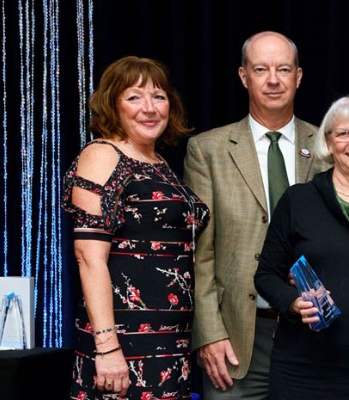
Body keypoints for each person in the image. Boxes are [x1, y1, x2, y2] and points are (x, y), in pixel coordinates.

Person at [183, 31, 327, 399]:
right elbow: (199, 252)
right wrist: (209, 332)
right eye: (261, 69)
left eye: (283, 69)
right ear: (244, 76)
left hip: (316, 333)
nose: (274, 79)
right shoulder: (208, 150)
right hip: (238, 337)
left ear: (298, 76)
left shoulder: (328, 145)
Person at [62, 56, 210, 399]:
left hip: (170, 343)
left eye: (158, 96)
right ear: (113, 105)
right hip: (125, 344)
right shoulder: (103, 155)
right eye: (134, 97)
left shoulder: (159, 163)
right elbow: (89, 258)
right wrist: (108, 347)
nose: (150, 108)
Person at [254, 94, 349, 399]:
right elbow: (266, 274)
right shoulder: (299, 200)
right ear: (328, 143)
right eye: (343, 133)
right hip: (303, 369)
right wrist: (294, 303)